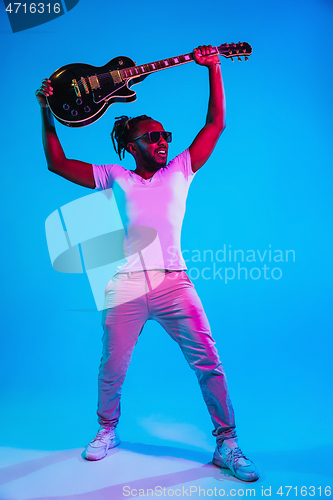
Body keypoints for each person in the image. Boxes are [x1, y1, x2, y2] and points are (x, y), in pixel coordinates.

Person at [36, 45, 259, 482]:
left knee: (208, 362)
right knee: (112, 365)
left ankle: (227, 443)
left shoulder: (181, 169)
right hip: (127, 285)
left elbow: (216, 123)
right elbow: (56, 163)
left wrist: (213, 68)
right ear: (133, 145)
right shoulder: (114, 176)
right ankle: (106, 431)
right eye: (152, 137)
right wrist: (46, 110)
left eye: (164, 136)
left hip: (175, 283)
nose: (162, 141)